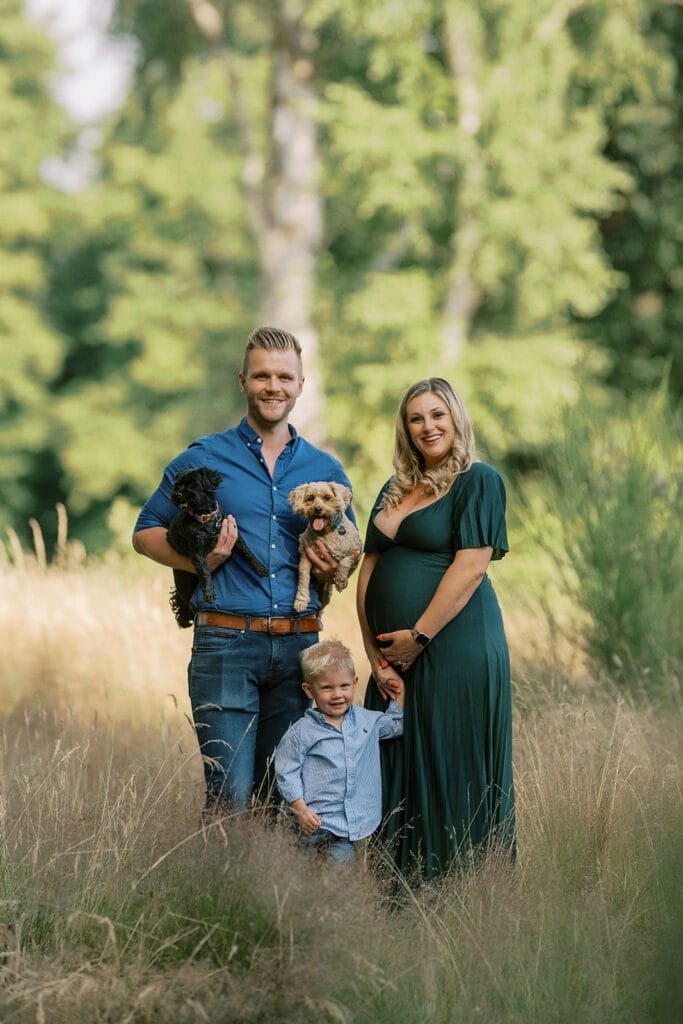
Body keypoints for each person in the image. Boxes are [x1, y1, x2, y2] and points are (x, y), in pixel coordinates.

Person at [133, 327, 356, 815]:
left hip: (302, 650)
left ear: (301, 385)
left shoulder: (326, 470)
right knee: (229, 799)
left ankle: (276, 891)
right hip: (226, 646)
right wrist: (201, 560)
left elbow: (349, 549)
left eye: (283, 377)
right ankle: (223, 889)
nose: (272, 386)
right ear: (242, 381)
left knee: (286, 799)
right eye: (261, 376)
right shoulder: (204, 458)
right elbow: (145, 533)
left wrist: (329, 567)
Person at [357, 377, 515, 879]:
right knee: (392, 762)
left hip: (454, 647)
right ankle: (395, 895)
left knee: (452, 761)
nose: (428, 426)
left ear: (456, 419)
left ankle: (464, 887)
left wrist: (417, 638)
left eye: (437, 415)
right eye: (416, 418)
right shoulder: (394, 487)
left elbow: (470, 568)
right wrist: (376, 657)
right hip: (391, 661)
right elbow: (368, 570)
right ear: (405, 428)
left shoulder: (478, 480)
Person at [274, 640, 404, 865]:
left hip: (346, 827)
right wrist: (300, 809)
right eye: (327, 688)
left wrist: (399, 687)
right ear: (309, 690)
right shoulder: (301, 732)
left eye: (344, 686)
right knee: (299, 875)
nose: (337, 695)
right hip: (310, 824)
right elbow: (287, 772)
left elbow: (396, 724)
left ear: (354, 683)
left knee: (338, 878)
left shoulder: (367, 722)